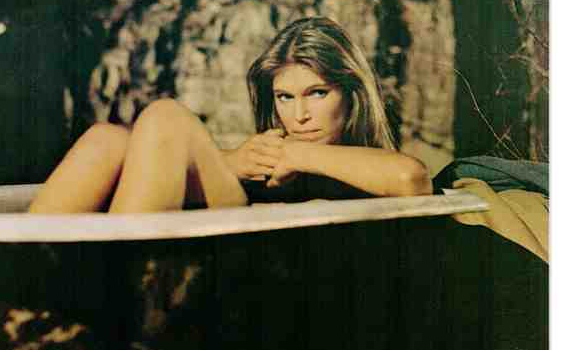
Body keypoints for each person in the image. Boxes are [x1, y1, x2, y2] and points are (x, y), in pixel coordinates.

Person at [28, 17, 432, 214]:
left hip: (260, 273)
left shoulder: (368, 161)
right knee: (108, 139)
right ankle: (24, 284)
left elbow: (411, 179)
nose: (300, 115)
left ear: (352, 93)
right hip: (235, 243)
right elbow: (162, 167)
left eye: (317, 93)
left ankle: (114, 294)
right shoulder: (275, 153)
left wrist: (299, 155)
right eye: (285, 97)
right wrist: (233, 162)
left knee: (167, 117)